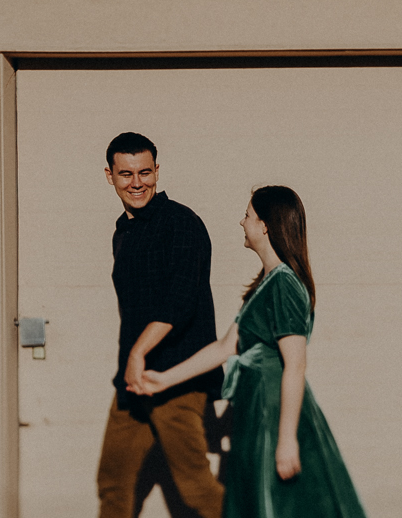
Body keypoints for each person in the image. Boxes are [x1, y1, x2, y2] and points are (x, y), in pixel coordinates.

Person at [139, 186, 366, 518]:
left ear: (265, 226)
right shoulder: (267, 283)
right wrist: (163, 380)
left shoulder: (284, 285)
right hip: (256, 411)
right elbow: (223, 348)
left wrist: (286, 439)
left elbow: (295, 366)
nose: (241, 222)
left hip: (273, 414)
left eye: (247, 215)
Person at [97, 132, 224, 518]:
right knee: (113, 481)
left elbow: (181, 302)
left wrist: (138, 352)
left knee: (195, 486)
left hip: (178, 378)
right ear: (110, 176)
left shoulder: (181, 223)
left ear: (157, 171)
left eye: (145, 172)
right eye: (126, 174)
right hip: (135, 381)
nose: (137, 183)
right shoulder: (124, 230)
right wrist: (132, 363)